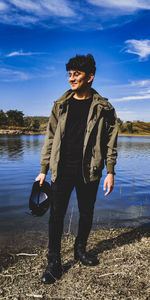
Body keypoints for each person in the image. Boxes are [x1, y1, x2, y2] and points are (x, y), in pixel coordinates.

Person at [36, 54, 118, 284]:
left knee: (86, 212)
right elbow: (50, 138)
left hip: (89, 170)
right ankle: (54, 262)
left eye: (77, 74)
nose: (71, 78)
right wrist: (43, 168)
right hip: (61, 169)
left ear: (90, 77)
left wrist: (110, 171)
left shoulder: (104, 108)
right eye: (70, 74)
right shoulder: (60, 105)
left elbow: (111, 141)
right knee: (56, 216)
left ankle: (80, 250)